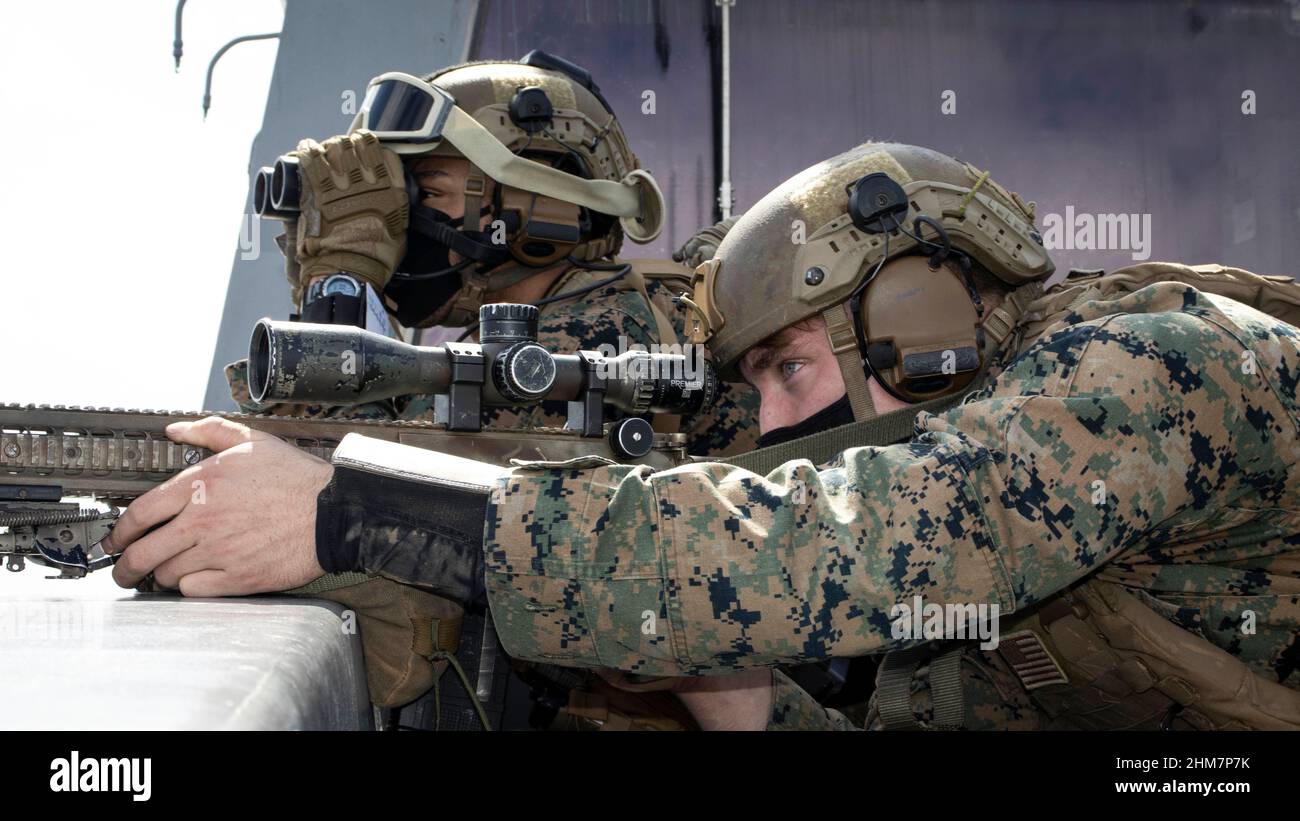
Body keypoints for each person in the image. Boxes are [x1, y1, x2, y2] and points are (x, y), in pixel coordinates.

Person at [107, 141, 1300, 730]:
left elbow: (846, 538)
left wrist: (355, 509)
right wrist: (722, 686)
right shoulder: (998, 563)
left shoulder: (1158, 370)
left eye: (787, 368)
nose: (771, 424)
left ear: (912, 319)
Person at [226, 51, 759, 458]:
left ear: (540, 205)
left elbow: (348, 502)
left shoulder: (589, 341)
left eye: (425, 195)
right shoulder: (512, 336)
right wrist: (326, 278)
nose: (398, 227)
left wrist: (341, 278)